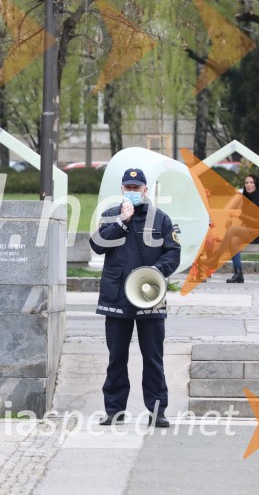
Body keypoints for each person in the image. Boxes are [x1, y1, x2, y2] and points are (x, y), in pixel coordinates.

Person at [90, 168, 181, 428]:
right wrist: (121, 221)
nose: (132, 192)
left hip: (149, 298)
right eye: (128, 188)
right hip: (116, 297)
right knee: (116, 357)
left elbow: (172, 253)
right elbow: (97, 245)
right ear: (121, 190)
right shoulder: (110, 216)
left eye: (136, 188)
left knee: (153, 357)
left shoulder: (161, 219)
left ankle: (157, 410)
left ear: (145, 190)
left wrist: (156, 272)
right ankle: (114, 410)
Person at [223, 174, 259, 283]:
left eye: (251, 182)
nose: (248, 185)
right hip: (252, 232)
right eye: (246, 183)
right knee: (233, 240)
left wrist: (239, 215)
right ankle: (238, 274)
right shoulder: (247, 200)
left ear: (256, 184)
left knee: (231, 231)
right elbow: (246, 222)